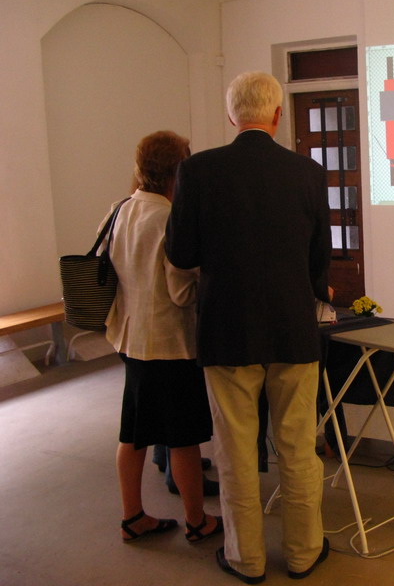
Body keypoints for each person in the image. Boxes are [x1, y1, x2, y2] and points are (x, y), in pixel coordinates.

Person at [166, 72, 332, 583]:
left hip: (227, 330)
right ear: (278, 115)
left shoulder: (197, 171)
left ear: (231, 115)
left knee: (236, 452)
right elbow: (320, 258)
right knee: (298, 448)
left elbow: (181, 253)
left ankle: (246, 559)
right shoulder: (308, 172)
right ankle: (303, 553)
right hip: (293, 330)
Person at [106, 131, 223, 545]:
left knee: (133, 433)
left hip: (130, 338)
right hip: (169, 344)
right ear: (180, 169)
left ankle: (132, 516)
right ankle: (197, 520)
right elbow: (179, 292)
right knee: (183, 438)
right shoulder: (169, 218)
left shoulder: (121, 210)